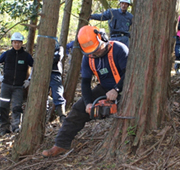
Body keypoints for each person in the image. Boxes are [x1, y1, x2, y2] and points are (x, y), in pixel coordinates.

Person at [42, 25, 129, 157]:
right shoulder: (88, 58)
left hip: (125, 86)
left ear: (103, 39)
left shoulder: (119, 49)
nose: (94, 54)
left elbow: (129, 73)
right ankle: (60, 144)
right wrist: (88, 103)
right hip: (104, 88)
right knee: (77, 110)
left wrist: (117, 89)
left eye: (96, 49)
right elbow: (85, 82)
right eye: (91, 52)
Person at [0, 32, 34, 136]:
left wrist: (28, 80)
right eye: (15, 42)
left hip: (18, 87)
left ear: (22, 43)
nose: (17, 44)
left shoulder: (26, 56)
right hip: (6, 85)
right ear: (12, 43)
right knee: (3, 107)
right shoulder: (7, 54)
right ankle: (4, 127)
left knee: (17, 107)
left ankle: (16, 126)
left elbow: (34, 66)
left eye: (19, 42)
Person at [50, 42, 66, 122]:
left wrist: (47, 59)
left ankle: (62, 116)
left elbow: (57, 57)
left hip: (55, 72)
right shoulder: (42, 44)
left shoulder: (58, 47)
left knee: (58, 94)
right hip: (42, 73)